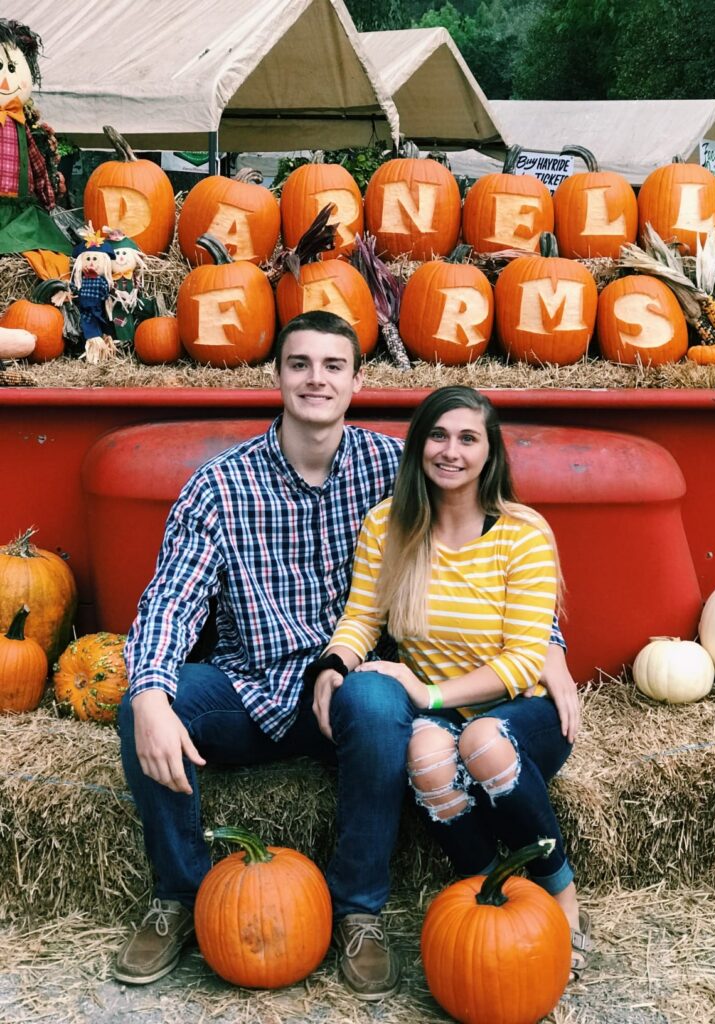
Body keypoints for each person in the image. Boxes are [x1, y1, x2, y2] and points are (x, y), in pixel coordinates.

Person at [115, 312, 578, 998]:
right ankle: (180, 896)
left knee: (377, 696)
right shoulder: (219, 487)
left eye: (333, 365)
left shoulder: (396, 468)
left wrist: (550, 650)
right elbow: (169, 603)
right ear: (276, 375)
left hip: (361, 705)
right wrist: (151, 693)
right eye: (299, 364)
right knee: (146, 703)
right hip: (254, 689)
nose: (316, 379)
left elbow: (494, 547)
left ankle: (358, 910)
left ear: (357, 380)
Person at [317, 385, 589, 983]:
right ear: (419, 446)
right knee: (425, 754)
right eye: (438, 436)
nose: (451, 451)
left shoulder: (521, 533)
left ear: (490, 452)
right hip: (442, 715)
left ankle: (561, 896)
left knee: (483, 741)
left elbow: (524, 660)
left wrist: (428, 695)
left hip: (523, 710)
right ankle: (492, 895)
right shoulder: (388, 526)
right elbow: (362, 619)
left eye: (468, 438)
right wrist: (334, 665)